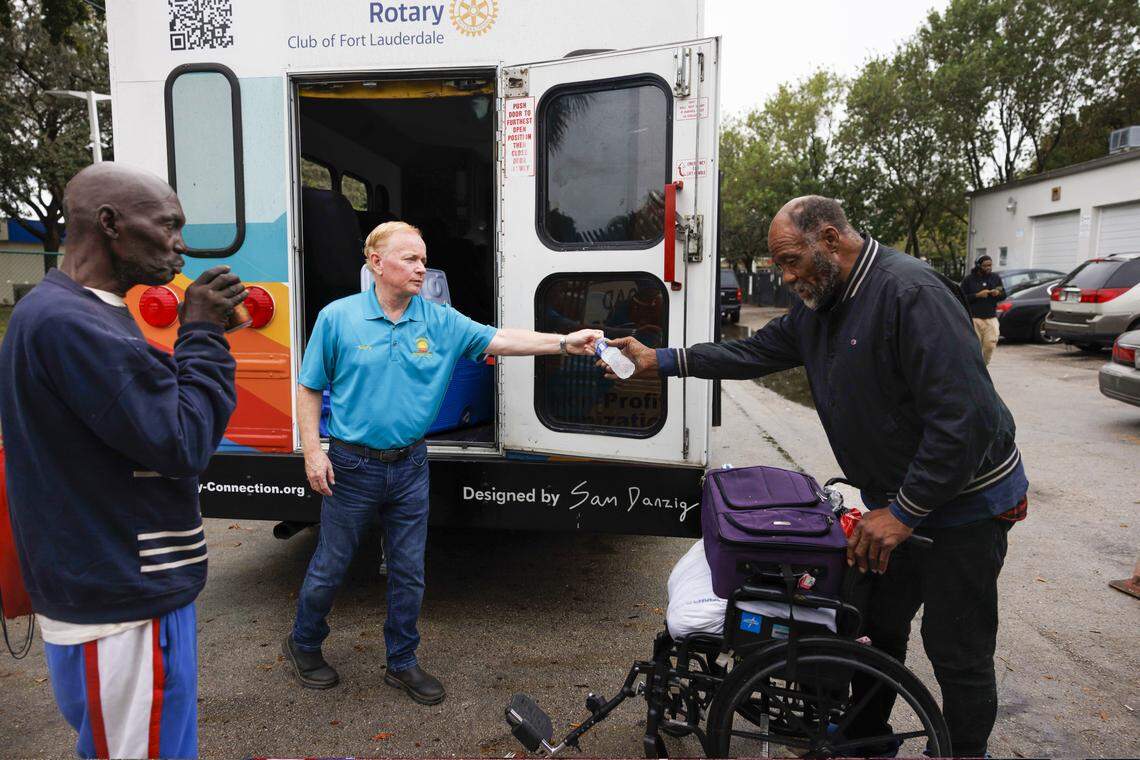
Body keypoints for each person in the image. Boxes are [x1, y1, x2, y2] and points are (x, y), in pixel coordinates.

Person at [605, 196, 1028, 757]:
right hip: (892, 503)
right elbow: (755, 352)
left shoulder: (911, 294)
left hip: (964, 508)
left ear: (830, 239)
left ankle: (965, 752)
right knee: (871, 627)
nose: (784, 278)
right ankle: (865, 742)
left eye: (789, 261)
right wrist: (662, 360)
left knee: (958, 647)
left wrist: (903, 513)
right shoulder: (819, 304)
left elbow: (963, 422)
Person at [283, 221, 602, 705]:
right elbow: (308, 387)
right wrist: (312, 450)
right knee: (332, 564)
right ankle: (304, 643)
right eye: (409, 258)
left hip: (411, 465)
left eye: (423, 258)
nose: (421, 267)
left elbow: (499, 340)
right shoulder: (337, 318)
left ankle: (402, 661)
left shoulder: (439, 320)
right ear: (375, 263)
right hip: (351, 466)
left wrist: (563, 342)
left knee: (409, 569)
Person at [0, 163, 247, 759]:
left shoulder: (77, 311)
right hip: (121, 604)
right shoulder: (69, 322)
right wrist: (203, 334)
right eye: (168, 226)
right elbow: (182, 442)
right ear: (110, 224)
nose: (180, 244)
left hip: (123, 591)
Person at [961, 254, 1005, 364]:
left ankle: (983, 366)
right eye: (985, 265)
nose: (988, 267)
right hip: (974, 319)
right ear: (978, 266)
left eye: (990, 265)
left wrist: (997, 293)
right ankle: (974, 369)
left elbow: (1004, 294)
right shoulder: (969, 280)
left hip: (991, 318)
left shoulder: (995, 278)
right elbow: (960, 298)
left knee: (990, 344)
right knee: (974, 347)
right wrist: (977, 295)